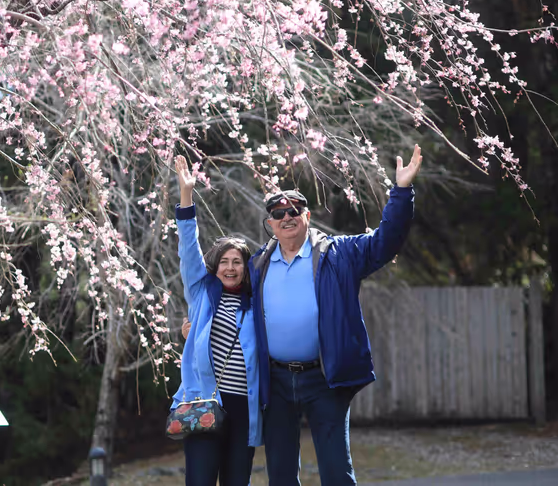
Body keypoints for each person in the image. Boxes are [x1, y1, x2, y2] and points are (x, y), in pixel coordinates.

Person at [252, 144, 423, 486]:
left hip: (325, 380)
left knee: (336, 472)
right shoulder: (256, 265)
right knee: (281, 476)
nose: (287, 217)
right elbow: (218, 289)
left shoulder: (339, 254)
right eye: (279, 213)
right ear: (270, 223)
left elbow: (385, 243)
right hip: (276, 382)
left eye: (295, 210)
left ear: (307, 217)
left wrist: (401, 192)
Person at [170, 155, 263, 486]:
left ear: (245, 267)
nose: (230, 267)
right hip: (205, 401)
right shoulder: (202, 292)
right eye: (224, 261)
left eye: (237, 261)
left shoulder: (256, 303)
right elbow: (189, 250)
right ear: (215, 265)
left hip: (244, 410)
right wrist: (186, 197)